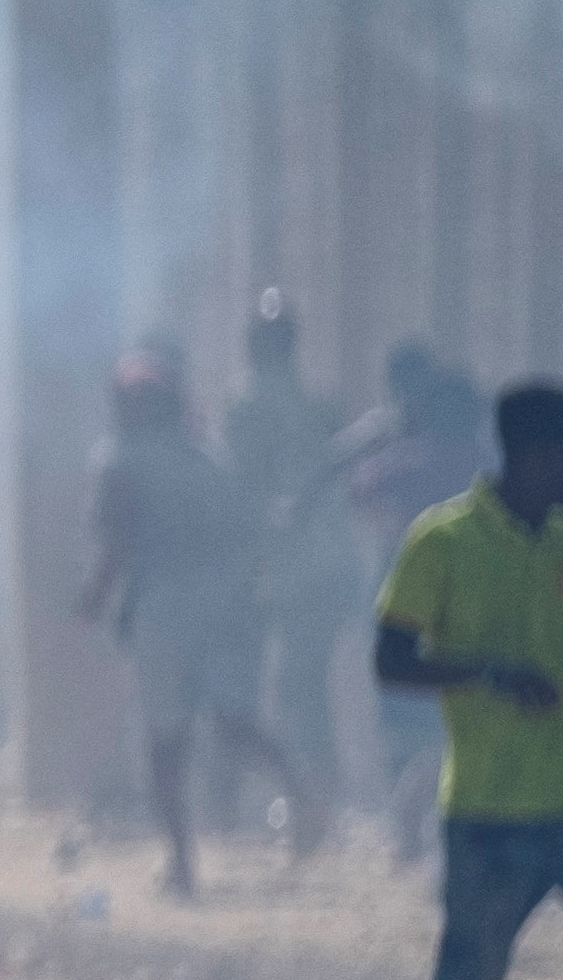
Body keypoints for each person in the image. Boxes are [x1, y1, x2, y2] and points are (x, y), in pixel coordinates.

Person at [382, 380, 563, 980]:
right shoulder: (443, 540)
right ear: (532, 454)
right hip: (487, 806)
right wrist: (485, 673)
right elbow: (392, 660)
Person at [83, 345, 309, 901]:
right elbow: (247, 531)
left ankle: (183, 864)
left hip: (167, 611)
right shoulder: (208, 456)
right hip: (229, 607)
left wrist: (96, 595)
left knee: (167, 742)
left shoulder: (122, 460)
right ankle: (300, 787)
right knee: (231, 721)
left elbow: (119, 538)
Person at [349, 341, 497, 865]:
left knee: (401, 718)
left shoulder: (408, 459)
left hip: (406, 594)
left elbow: (358, 492)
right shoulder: (490, 462)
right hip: (477, 602)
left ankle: (408, 832)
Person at [229, 292, 359, 814]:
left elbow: (242, 495)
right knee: (305, 681)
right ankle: (313, 795)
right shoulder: (323, 408)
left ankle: (314, 799)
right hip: (324, 569)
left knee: (294, 686)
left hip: (287, 572)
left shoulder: (247, 413)